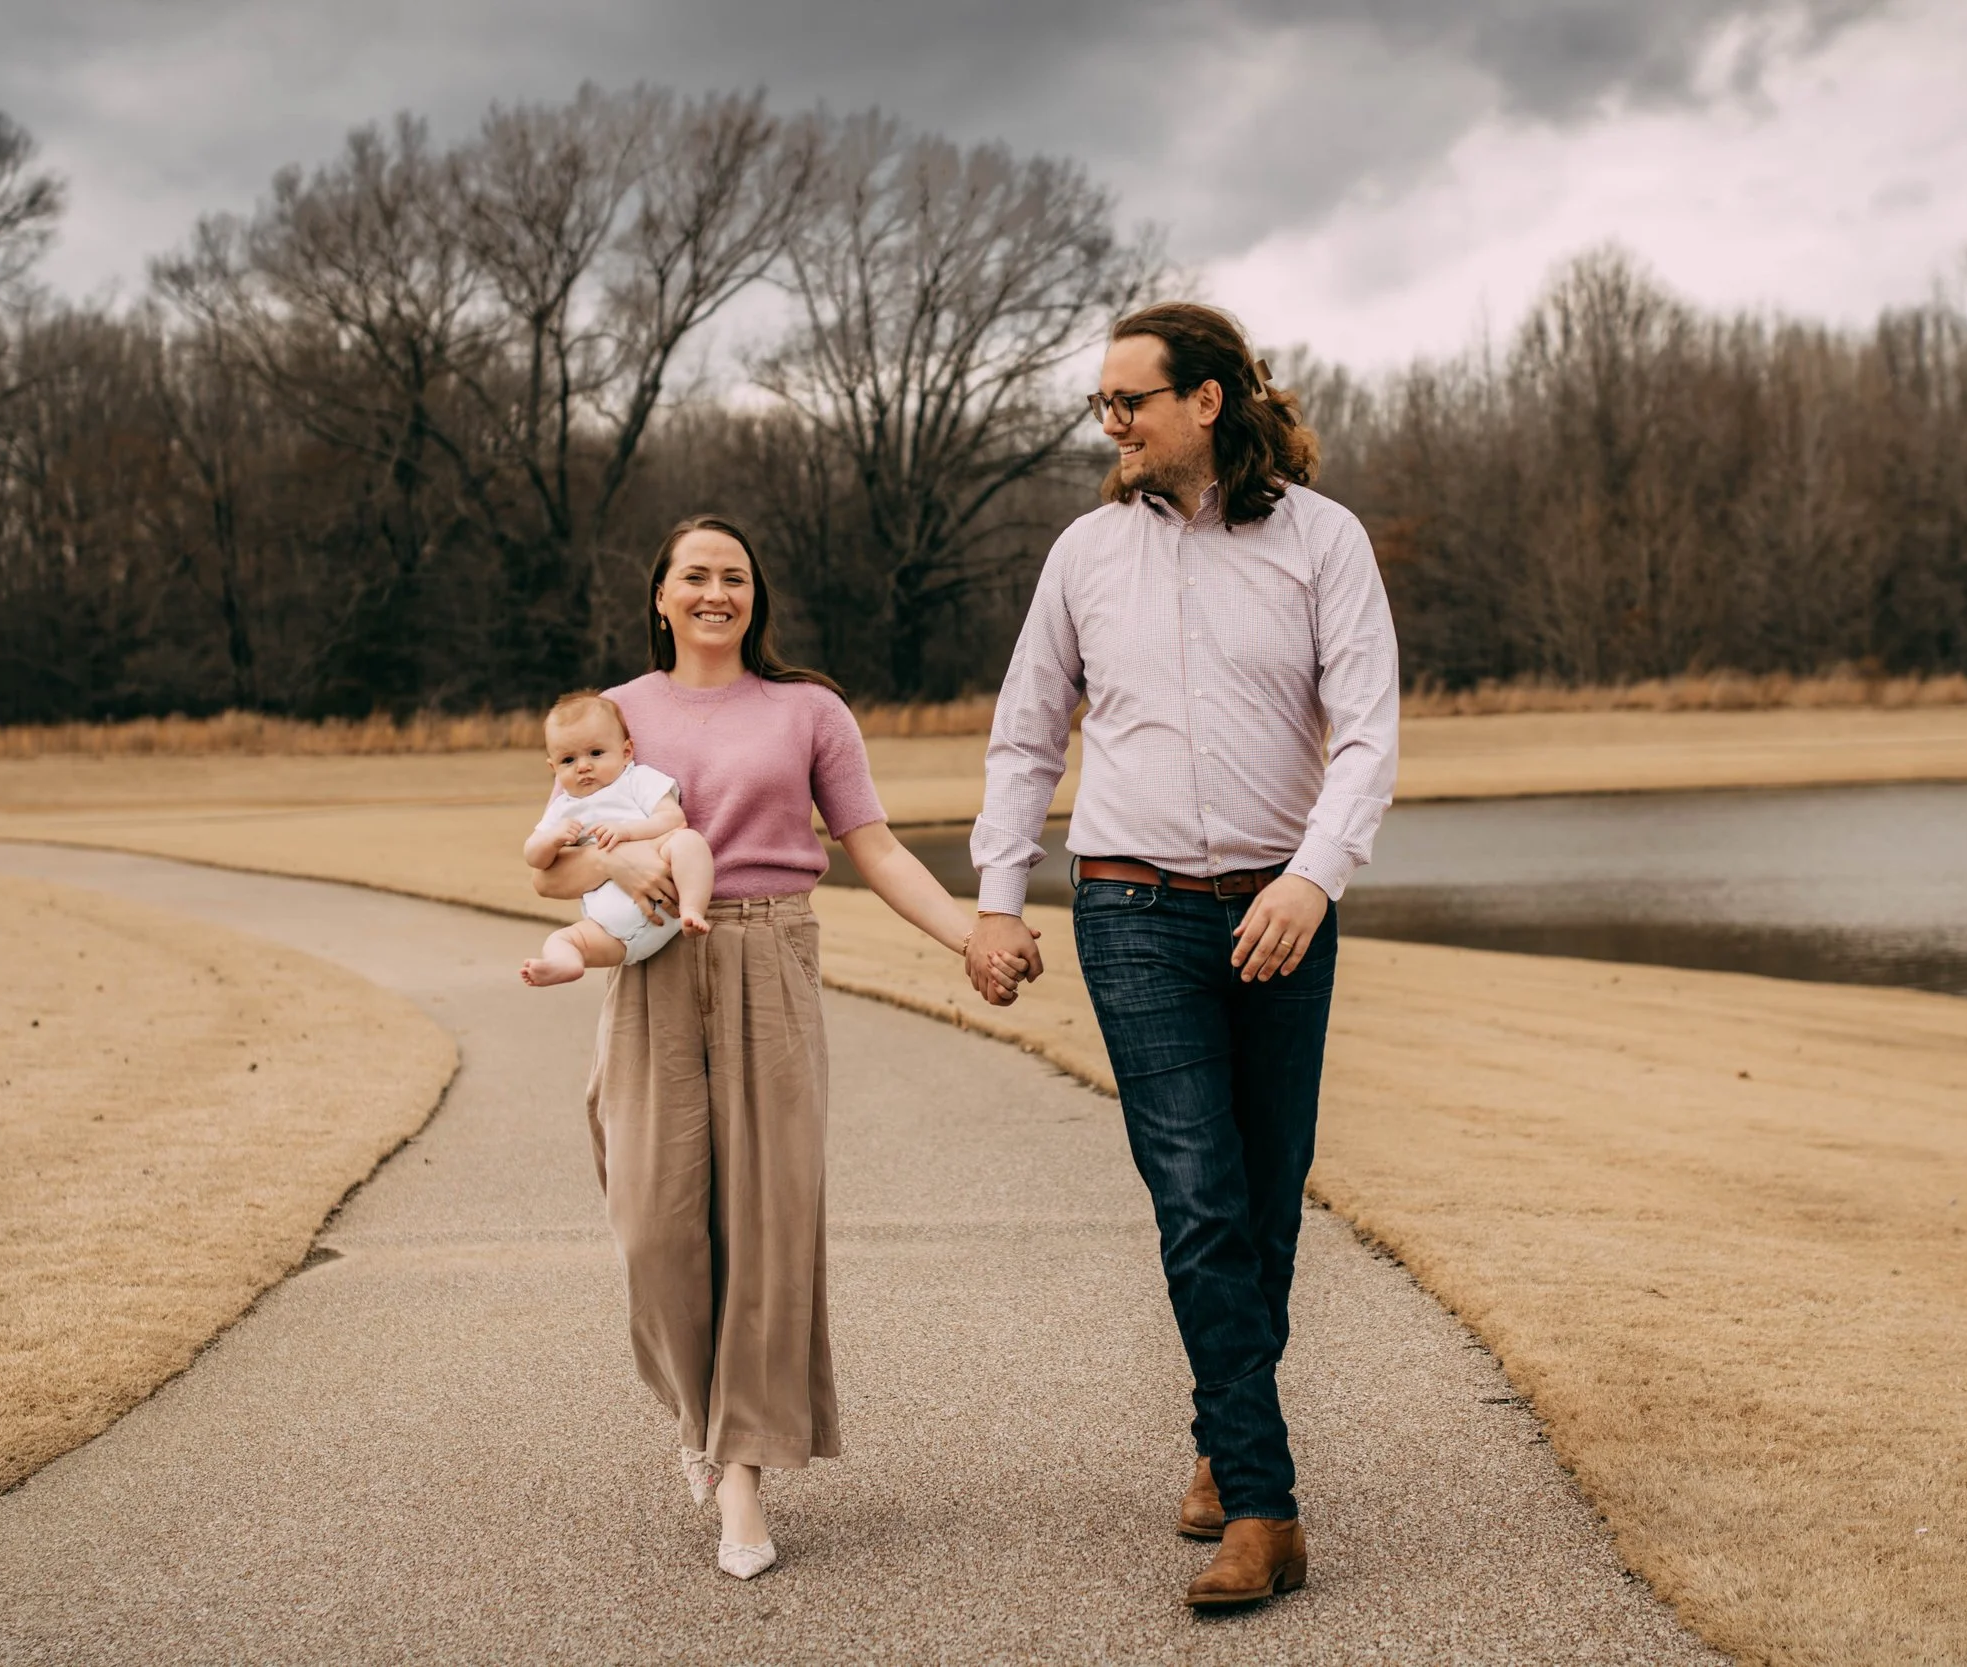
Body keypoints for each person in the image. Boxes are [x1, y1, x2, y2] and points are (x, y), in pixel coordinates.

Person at [965, 302, 1400, 1608]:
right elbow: (1026, 732)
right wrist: (998, 895)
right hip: (1132, 910)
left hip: (1280, 913)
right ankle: (1264, 1505)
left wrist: (1315, 877)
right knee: (1199, 1192)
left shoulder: (1323, 542)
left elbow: (1370, 733)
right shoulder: (1086, 555)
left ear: (1206, 402)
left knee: (1266, 1193)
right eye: (1102, 405)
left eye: (1129, 400)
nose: (1113, 424)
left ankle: (1222, 1430)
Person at [534, 513, 1025, 1581]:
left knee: (764, 1224)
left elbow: (875, 848)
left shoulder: (809, 709)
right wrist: (625, 872)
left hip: (769, 960)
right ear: (660, 593)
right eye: (696, 575)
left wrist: (969, 933)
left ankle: (741, 1474)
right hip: (652, 964)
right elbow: (552, 867)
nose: (717, 591)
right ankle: (694, 1412)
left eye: (736, 576)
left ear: (755, 596)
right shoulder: (613, 714)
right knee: (654, 1223)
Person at [518, 690, 714, 987]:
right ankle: (565, 963)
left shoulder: (635, 780)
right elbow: (534, 858)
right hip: (611, 931)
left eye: (596, 753)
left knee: (688, 841)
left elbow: (673, 818)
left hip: (667, 894)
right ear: (554, 769)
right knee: (563, 938)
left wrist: (626, 832)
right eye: (568, 760)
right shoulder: (564, 808)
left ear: (626, 752)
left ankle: (692, 910)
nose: (583, 766)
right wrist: (553, 839)